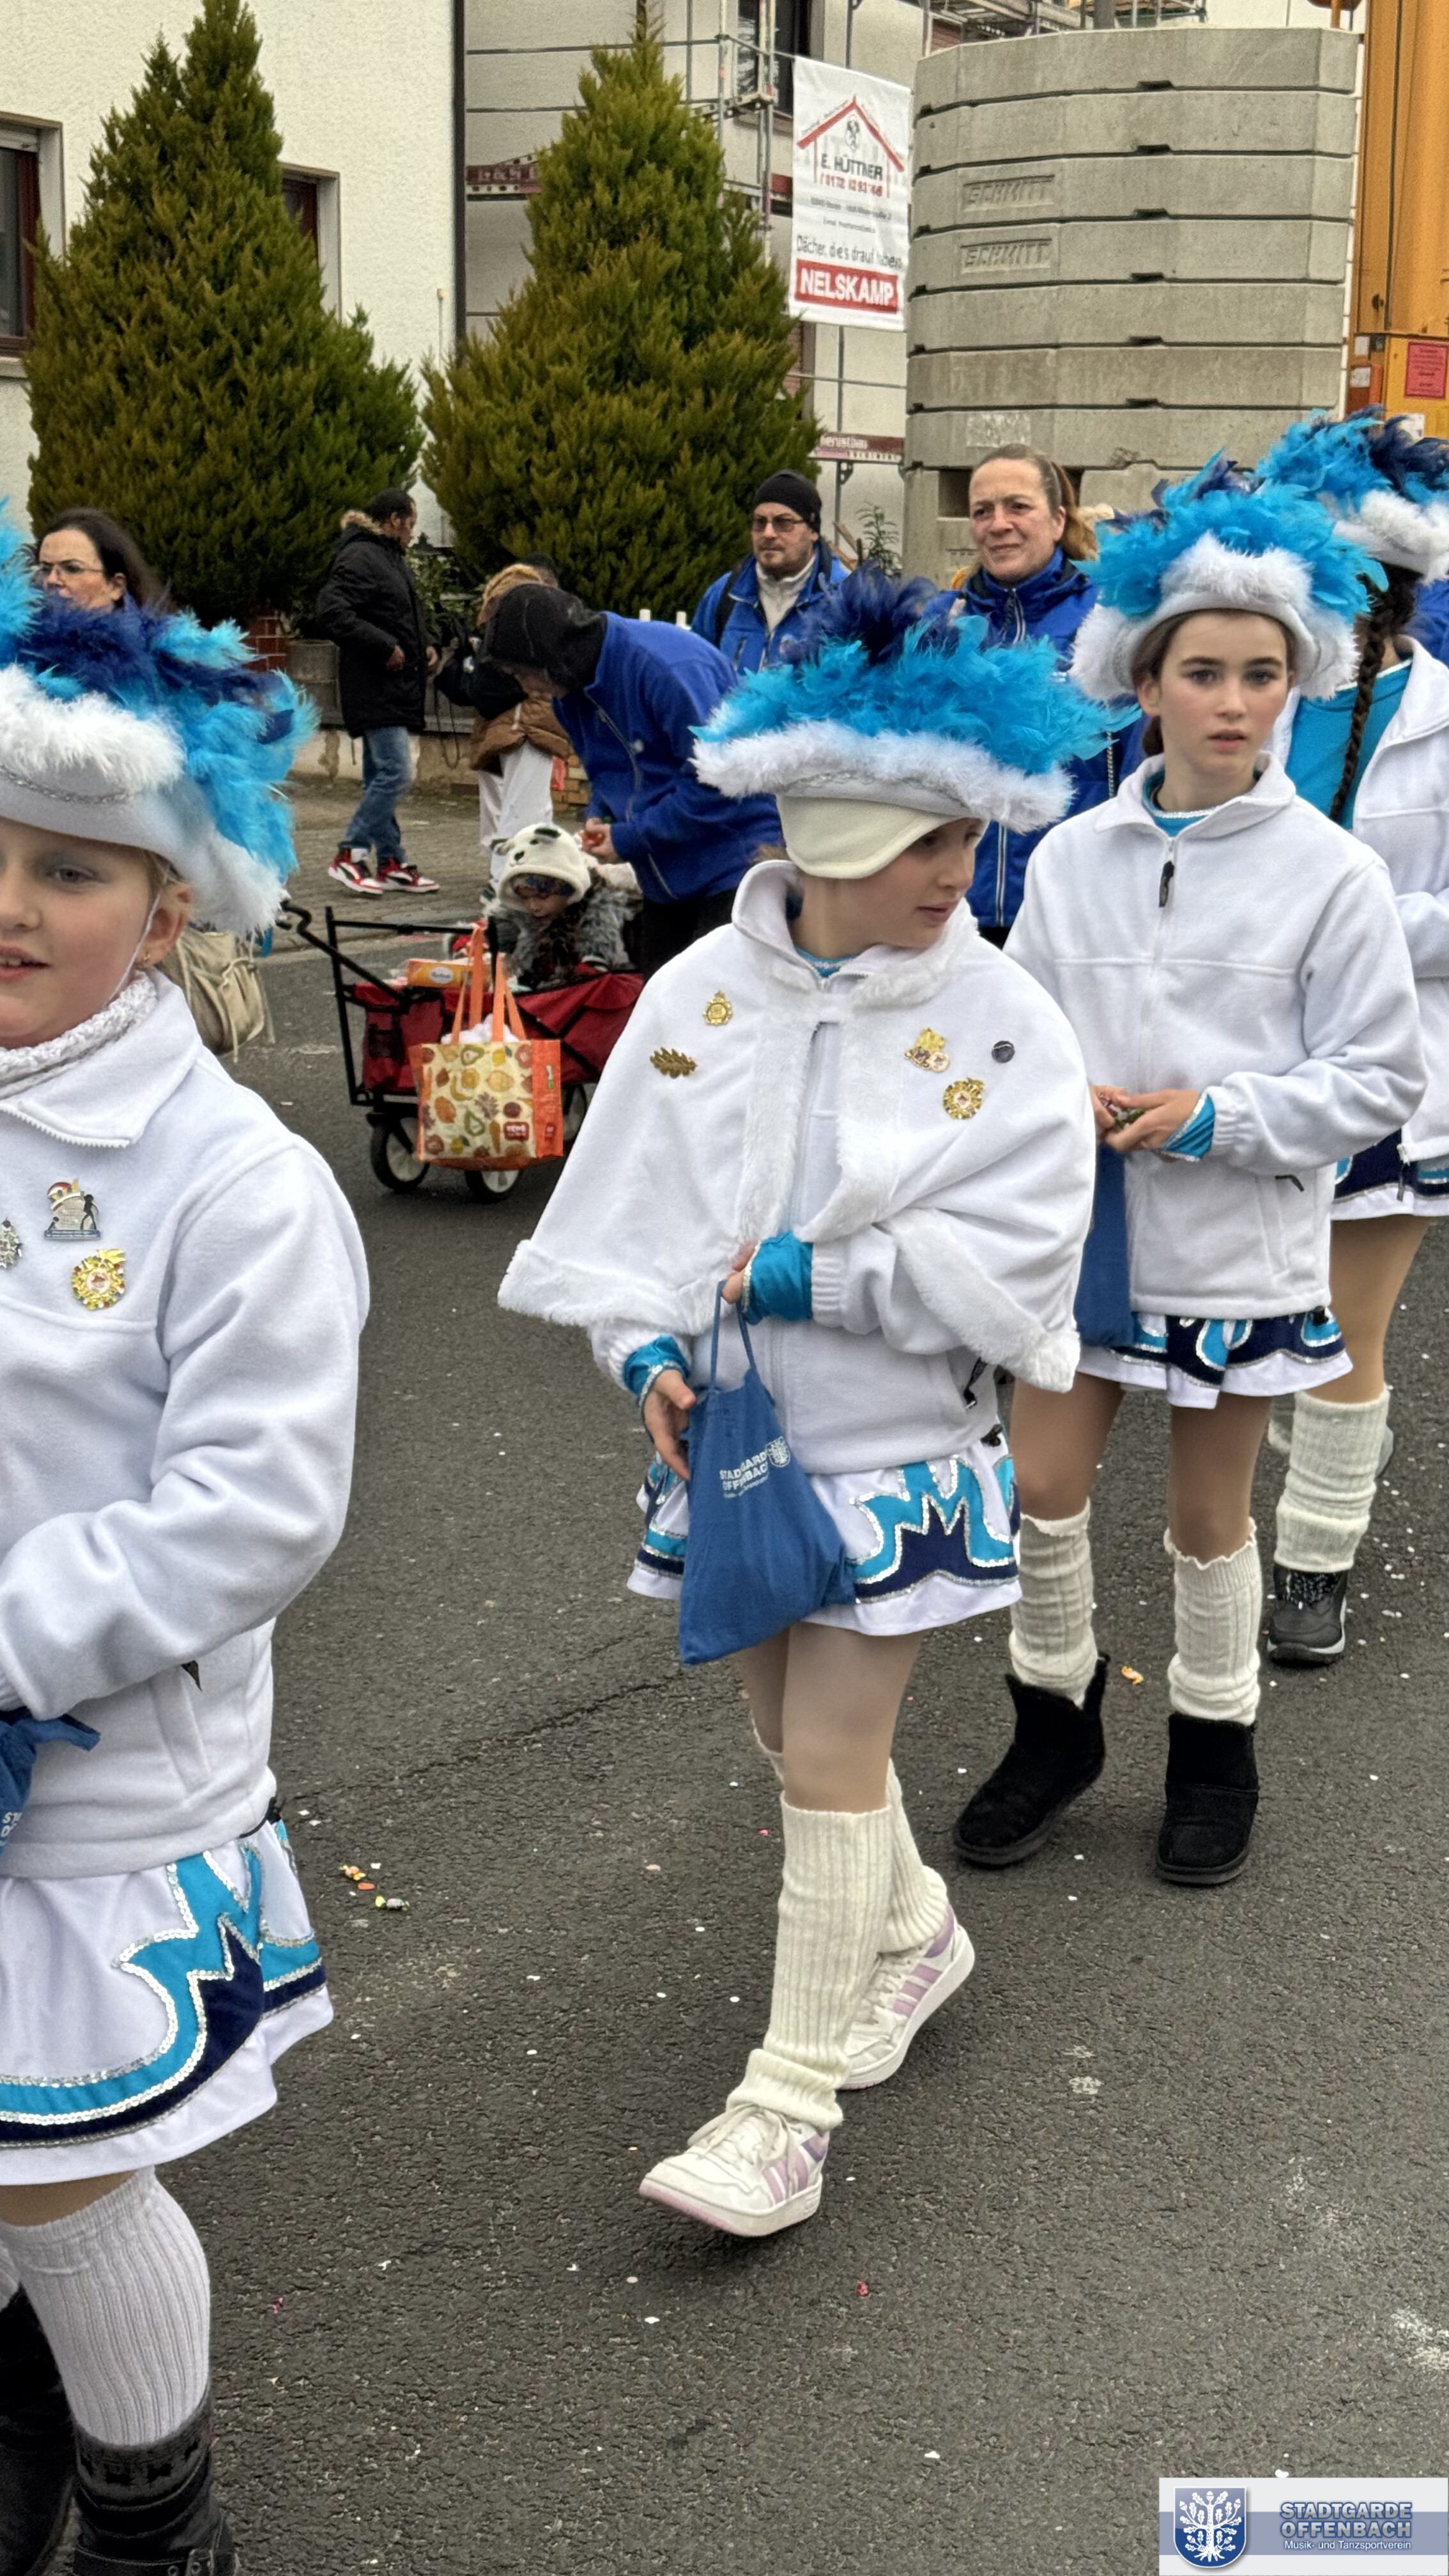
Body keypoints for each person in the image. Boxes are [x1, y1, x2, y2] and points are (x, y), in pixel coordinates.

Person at [498, 571, 1109, 2237]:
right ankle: (914, 1934)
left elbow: (1024, 1247)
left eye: (965, 835)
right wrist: (644, 1351)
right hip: (741, 1457)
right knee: (784, 1736)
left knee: (832, 1753)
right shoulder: (700, 994)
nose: (953, 870)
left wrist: (819, 1280)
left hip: (896, 1451)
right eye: (918, 837)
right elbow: (630, 1212)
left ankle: (786, 2108)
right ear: (823, 828)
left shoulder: (1003, 1021)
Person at [0, 518, 367, 2573]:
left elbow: (252, 1509)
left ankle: (159, 2519)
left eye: (69, 869)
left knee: (60, 2172)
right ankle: (26, 2400)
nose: (12, 901)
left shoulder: (235, 1179)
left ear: (164, 909)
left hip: (101, 1783)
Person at [951, 464, 1425, 1894]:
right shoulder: (1072, 857)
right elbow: (1013, 1035)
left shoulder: (1332, 875)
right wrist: (1055, 1101)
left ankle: (1216, 1746)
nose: (1231, 701)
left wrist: (1213, 1117)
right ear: (1143, 682)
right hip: (1080, 1242)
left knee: (1208, 1517)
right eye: (1200, 672)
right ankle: (1053, 1724)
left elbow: (1377, 1080)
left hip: (1234, 1246)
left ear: (1298, 681)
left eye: (1260, 674)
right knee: (1041, 1487)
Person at [1252, 412, 1449, 1661]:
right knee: (1278, 1316)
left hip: (1393, 1066)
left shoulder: (1444, 713)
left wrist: (1352, 927)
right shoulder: (1255, 700)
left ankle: (1312, 1563)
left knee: (1341, 1329)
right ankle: (1336, 1440)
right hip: (1254, 1063)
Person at [482, 583, 777, 978]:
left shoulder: (667, 668)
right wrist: (600, 815)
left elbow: (720, 781)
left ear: (552, 657)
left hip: (735, 866)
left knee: (720, 1005)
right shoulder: (569, 692)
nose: (526, 688)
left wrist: (630, 838)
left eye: (523, 674)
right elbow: (606, 772)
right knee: (661, 1005)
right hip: (664, 880)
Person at [952, 448, 1120, 947]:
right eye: (983, 511)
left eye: (1018, 506)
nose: (998, 524)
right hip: (958, 912)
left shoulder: (1111, 620)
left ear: (1057, 520)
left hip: (1074, 911)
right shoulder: (943, 625)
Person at [312, 486, 440, 896]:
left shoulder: (387, 558)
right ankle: (349, 854)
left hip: (390, 687)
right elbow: (332, 611)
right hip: (375, 686)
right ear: (395, 520)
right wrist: (384, 647)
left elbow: (398, 615)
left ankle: (391, 861)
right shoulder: (361, 556)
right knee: (397, 773)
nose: (412, 534)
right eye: (411, 525)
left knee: (379, 777)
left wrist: (426, 644)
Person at [434, 559, 571, 860]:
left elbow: (487, 685)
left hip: (512, 726)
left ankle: (511, 876)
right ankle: (514, 878)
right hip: (523, 726)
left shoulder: (515, 628)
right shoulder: (532, 626)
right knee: (523, 817)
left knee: (514, 815)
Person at [691, 470, 845, 673]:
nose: (768, 533)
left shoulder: (845, 603)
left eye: (784, 523)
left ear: (813, 531)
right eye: (760, 522)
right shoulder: (725, 595)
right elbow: (696, 675)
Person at [487, 822, 632, 991]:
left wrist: (590, 969)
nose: (533, 906)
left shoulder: (598, 917)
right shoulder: (516, 914)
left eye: (542, 896)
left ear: (567, 888)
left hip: (579, 994)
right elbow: (496, 928)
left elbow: (597, 977)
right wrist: (501, 950)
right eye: (525, 898)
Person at [32, 510, 163, 612]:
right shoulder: (23, 635)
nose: (51, 580)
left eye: (72, 568)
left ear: (116, 586)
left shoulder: (158, 639)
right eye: (45, 569)